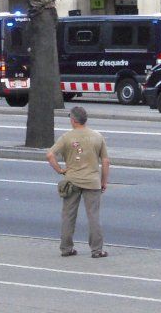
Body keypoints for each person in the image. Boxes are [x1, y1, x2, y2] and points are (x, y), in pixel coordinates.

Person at [46, 105, 110, 259]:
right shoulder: (97, 136)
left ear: (73, 120)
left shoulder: (66, 137)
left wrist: (60, 170)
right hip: (92, 180)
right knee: (93, 216)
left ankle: (66, 248)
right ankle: (97, 250)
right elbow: (106, 161)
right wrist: (104, 181)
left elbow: (49, 155)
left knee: (68, 215)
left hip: (72, 180)